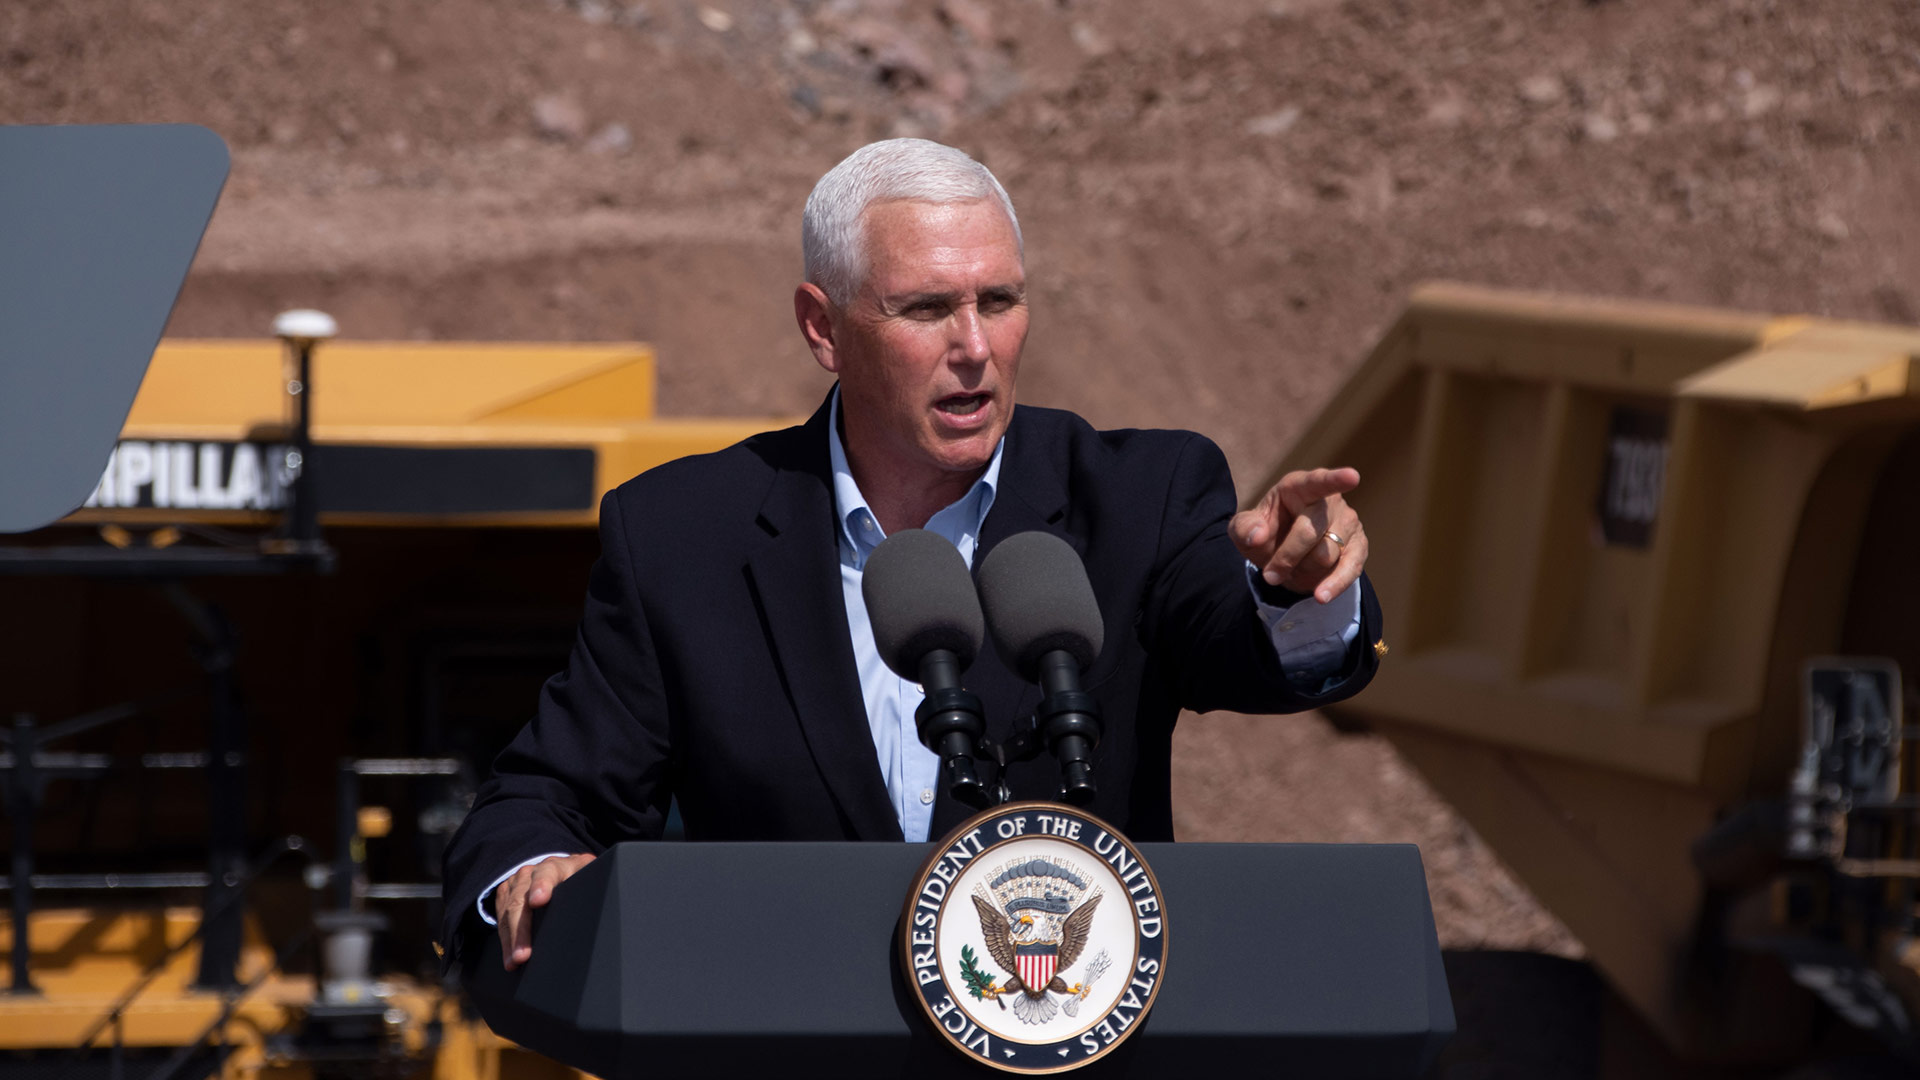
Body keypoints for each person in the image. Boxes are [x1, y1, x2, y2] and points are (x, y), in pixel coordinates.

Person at [439, 139, 1383, 973]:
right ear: (824, 328)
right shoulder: (683, 535)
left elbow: (1238, 645)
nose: (974, 346)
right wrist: (535, 869)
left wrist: (1291, 591)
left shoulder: (1142, 493)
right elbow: (549, 797)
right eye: (927, 308)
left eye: (1000, 300)